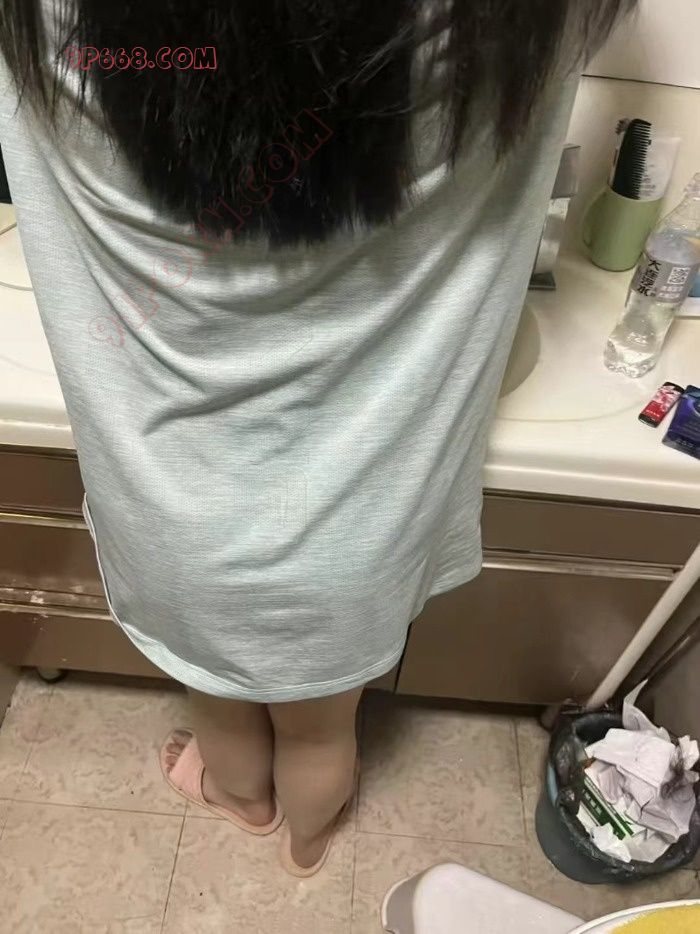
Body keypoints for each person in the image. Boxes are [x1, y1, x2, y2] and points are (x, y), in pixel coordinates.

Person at [0, 0, 635, 875]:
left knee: (217, 701)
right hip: (362, 530)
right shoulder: (519, 26)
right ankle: (308, 843)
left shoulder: (45, 26)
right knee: (322, 728)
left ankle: (240, 801)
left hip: (171, 514)